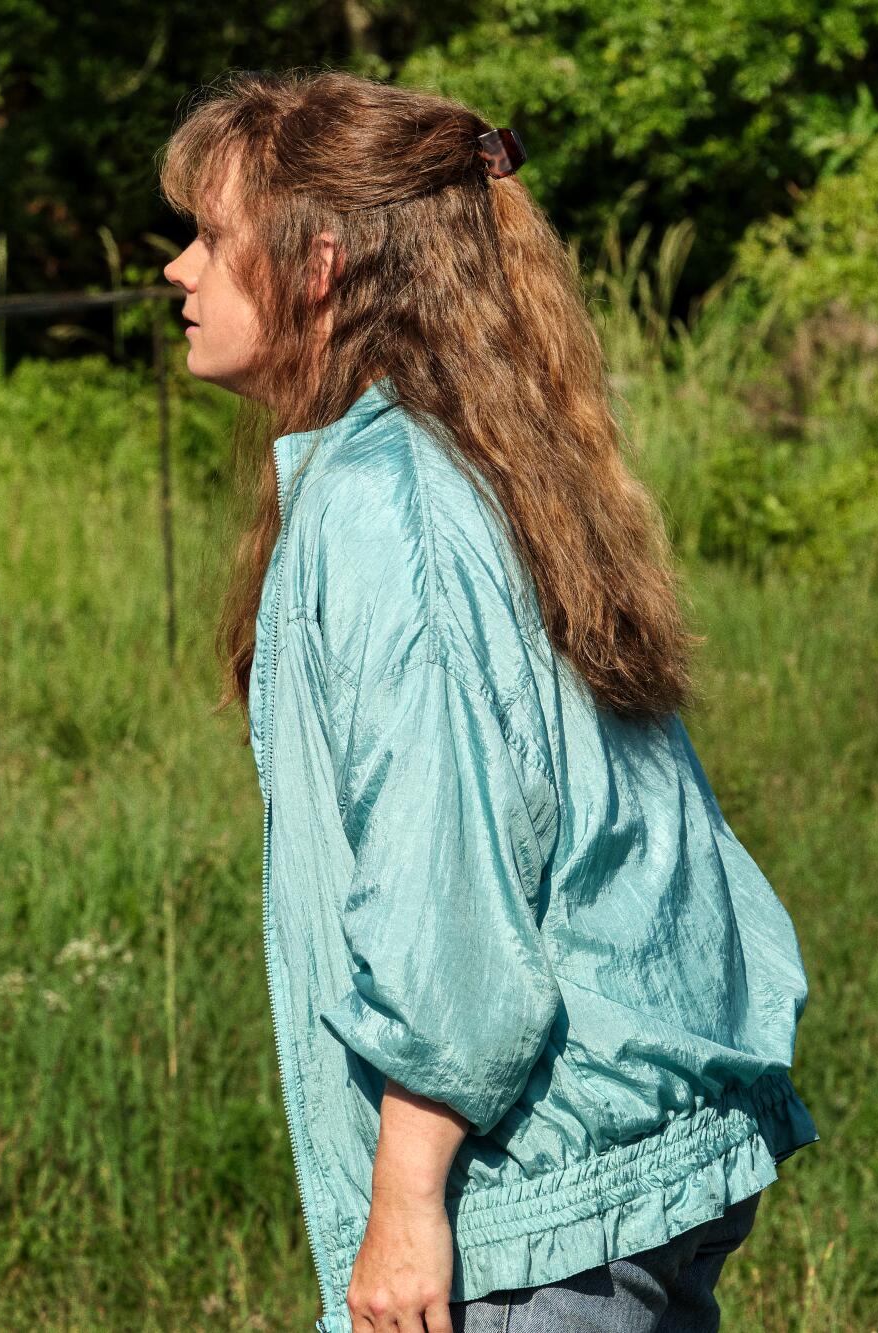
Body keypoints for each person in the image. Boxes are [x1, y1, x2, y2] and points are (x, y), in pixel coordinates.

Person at [160, 71, 817, 1333]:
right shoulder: (477, 453)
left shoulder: (388, 505)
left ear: (319, 264)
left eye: (211, 238)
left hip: (521, 1204)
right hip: (626, 1172)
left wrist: (405, 1197)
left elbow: (446, 879)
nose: (180, 271)